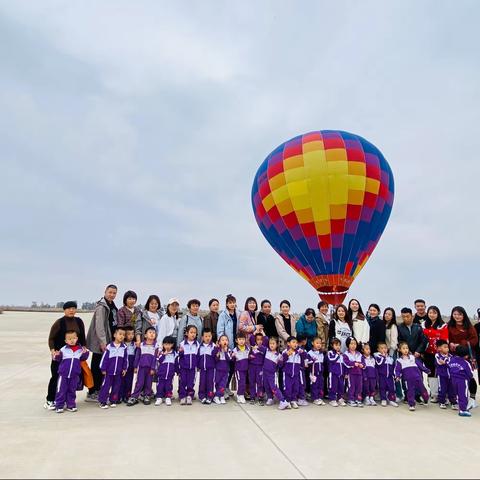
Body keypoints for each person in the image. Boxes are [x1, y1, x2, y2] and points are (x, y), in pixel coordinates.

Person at [45, 301, 86, 410]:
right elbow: (51, 338)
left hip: (74, 355)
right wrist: (53, 350)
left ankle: (68, 402)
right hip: (60, 355)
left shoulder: (79, 321)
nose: (71, 310)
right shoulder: (59, 322)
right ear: (64, 310)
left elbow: (82, 337)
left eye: (73, 308)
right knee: (55, 377)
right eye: (69, 308)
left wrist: (84, 347)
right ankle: (50, 400)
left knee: (72, 379)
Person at [86, 285, 118, 401]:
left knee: (102, 366)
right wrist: (103, 342)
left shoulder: (111, 305)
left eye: (114, 293)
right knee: (96, 366)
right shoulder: (102, 306)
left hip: (108, 340)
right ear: (105, 292)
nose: (112, 295)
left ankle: (98, 389)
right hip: (100, 342)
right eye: (110, 292)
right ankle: (92, 391)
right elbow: (99, 326)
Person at [447, 306, 478, 408]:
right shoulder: (449, 325)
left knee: (469, 376)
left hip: (467, 354)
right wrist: (450, 344)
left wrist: (461, 344)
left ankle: (472, 399)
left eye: (459, 314)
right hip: (453, 354)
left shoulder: (469, 326)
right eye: (455, 314)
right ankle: (457, 398)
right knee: (455, 376)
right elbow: (446, 338)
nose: (457, 316)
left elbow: (474, 340)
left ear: (463, 315)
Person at [53, 330, 89, 413]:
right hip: (63, 375)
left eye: (74, 338)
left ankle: (71, 405)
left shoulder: (80, 350)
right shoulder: (63, 349)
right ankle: (59, 405)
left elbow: (83, 358)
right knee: (61, 390)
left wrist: (85, 353)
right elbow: (57, 359)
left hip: (74, 375)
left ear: (77, 338)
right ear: (66, 341)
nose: (72, 340)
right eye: (69, 339)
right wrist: (57, 355)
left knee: (72, 391)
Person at [394, 341, 430, 411]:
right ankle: (411, 404)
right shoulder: (399, 360)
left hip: (417, 377)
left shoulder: (412, 357)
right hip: (408, 379)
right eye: (403, 348)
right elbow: (397, 370)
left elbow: (420, 365)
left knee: (422, 389)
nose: (405, 350)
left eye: (407, 348)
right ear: (399, 350)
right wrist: (397, 376)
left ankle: (426, 398)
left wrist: (426, 370)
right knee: (410, 391)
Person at [98, 327, 128, 409]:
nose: (122, 336)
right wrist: (103, 369)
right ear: (115, 335)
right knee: (106, 386)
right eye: (120, 334)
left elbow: (126, 359)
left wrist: (125, 369)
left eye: (123, 335)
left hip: (118, 372)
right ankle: (102, 401)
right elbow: (104, 359)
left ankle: (113, 400)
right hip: (108, 372)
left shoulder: (124, 347)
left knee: (116, 386)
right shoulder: (109, 347)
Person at [423, 306, 448, 402]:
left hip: (439, 353)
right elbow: (422, 338)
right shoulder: (424, 324)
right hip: (427, 353)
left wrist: (443, 352)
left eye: (434, 313)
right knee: (431, 372)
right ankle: (434, 394)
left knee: (441, 372)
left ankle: (443, 393)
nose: (432, 315)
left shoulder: (443, 325)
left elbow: (444, 339)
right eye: (430, 312)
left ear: (438, 314)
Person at [127, 327, 157, 406]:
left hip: (150, 369)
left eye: (153, 333)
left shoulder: (155, 346)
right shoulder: (141, 345)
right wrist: (136, 366)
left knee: (148, 383)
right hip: (141, 368)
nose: (152, 334)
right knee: (139, 383)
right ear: (145, 335)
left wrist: (153, 368)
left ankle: (147, 396)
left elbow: (155, 358)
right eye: (150, 332)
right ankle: (134, 396)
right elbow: (137, 356)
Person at [217, 294, 240, 396]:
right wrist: (223, 343)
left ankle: (226, 386)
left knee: (233, 368)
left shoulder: (238, 314)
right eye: (230, 302)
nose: (232, 304)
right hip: (227, 345)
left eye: (233, 302)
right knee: (226, 368)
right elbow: (220, 330)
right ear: (226, 304)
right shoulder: (223, 315)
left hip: (237, 344)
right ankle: (222, 388)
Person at [263, 337, 289, 410]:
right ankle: (270, 398)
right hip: (265, 373)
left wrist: (283, 358)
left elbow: (280, 366)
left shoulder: (279, 355)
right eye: (270, 343)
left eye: (273, 343)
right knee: (266, 386)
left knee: (273, 387)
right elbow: (264, 340)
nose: (271, 345)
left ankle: (283, 401)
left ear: (277, 345)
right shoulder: (266, 351)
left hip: (272, 374)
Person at [448, 345, 474, 417]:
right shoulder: (466, 363)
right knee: (463, 395)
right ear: (466, 356)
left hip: (453, 379)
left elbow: (449, 366)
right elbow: (470, 374)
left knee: (456, 393)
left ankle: (458, 404)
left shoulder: (451, 359)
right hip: (463, 381)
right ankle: (463, 410)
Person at [282, 336, 307, 409]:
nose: (295, 344)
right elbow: (282, 361)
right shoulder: (285, 351)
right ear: (288, 344)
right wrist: (287, 355)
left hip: (296, 374)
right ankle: (287, 401)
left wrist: (301, 352)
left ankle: (293, 400)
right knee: (287, 387)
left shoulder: (299, 352)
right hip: (287, 374)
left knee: (296, 387)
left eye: (296, 342)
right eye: (293, 342)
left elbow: (305, 356)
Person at [178, 325, 200, 406]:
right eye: (191, 332)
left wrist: (197, 366)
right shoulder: (182, 344)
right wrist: (180, 352)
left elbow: (198, 356)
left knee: (191, 382)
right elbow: (179, 356)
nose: (193, 334)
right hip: (184, 367)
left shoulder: (197, 344)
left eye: (194, 333)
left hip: (193, 368)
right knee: (183, 381)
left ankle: (189, 395)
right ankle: (182, 396)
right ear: (187, 333)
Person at [197, 328, 218, 405]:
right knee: (202, 382)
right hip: (202, 369)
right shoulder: (200, 346)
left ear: (211, 336)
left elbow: (216, 357)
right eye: (206, 336)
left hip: (211, 368)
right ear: (202, 337)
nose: (208, 338)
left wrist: (216, 350)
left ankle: (209, 397)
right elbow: (198, 357)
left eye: (209, 336)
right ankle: (202, 396)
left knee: (210, 382)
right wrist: (198, 366)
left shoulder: (213, 346)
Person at [155, 336, 177, 406]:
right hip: (161, 374)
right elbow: (159, 360)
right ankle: (159, 397)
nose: (167, 346)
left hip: (170, 374)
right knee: (160, 385)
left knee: (169, 386)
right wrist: (164, 355)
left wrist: (177, 371)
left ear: (172, 345)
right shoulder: (161, 352)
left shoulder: (174, 353)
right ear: (163, 345)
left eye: (169, 344)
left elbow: (176, 363)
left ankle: (168, 397)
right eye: (165, 344)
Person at [343, 337, 365, 407]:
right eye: (351, 344)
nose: (353, 345)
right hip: (351, 374)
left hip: (359, 373)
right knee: (351, 386)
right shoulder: (346, 354)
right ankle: (351, 399)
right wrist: (353, 364)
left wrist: (362, 365)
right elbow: (345, 362)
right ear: (348, 345)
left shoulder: (359, 354)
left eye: (355, 344)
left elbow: (364, 363)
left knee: (359, 387)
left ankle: (358, 399)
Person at [374, 342, 398, 407]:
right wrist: (383, 357)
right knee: (382, 387)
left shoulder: (390, 357)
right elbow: (379, 364)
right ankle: (383, 399)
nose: (384, 349)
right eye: (381, 348)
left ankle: (391, 399)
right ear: (378, 350)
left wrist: (395, 374)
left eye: (385, 348)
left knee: (391, 388)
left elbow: (393, 366)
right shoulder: (378, 357)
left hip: (390, 376)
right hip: (382, 376)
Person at [435, 339, 455, 410]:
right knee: (442, 389)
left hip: (450, 376)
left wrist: (445, 362)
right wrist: (447, 362)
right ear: (439, 348)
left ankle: (453, 402)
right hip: (442, 376)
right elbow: (439, 362)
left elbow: (451, 364)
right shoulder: (437, 355)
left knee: (451, 389)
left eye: (447, 347)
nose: (447, 349)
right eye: (445, 347)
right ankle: (442, 402)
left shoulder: (451, 356)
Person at [327, 338, 346, 407]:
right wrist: (337, 355)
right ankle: (332, 399)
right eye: (336, 345)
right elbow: (331, 360)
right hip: (333, 373)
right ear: (332, 345)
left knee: (341, 386)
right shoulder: (330, 353)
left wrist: (345, 373)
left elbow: (344, 364)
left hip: (341, 374)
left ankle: (340, 398)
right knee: (333, 386)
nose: (338, 347)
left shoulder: (342, 354)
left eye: (339, 345)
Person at [249, 332, 267, 405]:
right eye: (258, 339)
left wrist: (263, 332)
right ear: (255, 340)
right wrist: (250, 357)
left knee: (260, 383)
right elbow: (249, 356)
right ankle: (252, 397)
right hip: (252, 367)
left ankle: (260, 396)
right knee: (252, 382)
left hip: (260, 367)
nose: (259, 341)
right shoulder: (252, 347)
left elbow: (266, 339)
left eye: (261, 339)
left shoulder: (264, 348)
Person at [213, 335, 231, 405]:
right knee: (217, 383)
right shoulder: (218, 349)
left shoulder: (229, 350)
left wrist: (226, 352)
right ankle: (217, 396)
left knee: (223, 384)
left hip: (225, 371)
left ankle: (220, 395)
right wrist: (217, 356)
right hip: (218, 370)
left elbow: (229, 359)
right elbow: (215, 359)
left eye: (226, 340)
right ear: (219, 342)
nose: (224, 341)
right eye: (222, 340)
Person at [307, 336, 326, 406]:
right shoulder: (310, 353)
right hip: (313, 373)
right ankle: (315, 398)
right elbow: (307, 363)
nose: (319, 345)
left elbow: (322, 363)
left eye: (320, 343)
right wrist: (312, 361)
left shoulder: (321, 353)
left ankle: (320, 397)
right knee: (314, 386)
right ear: (312, 343)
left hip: (320, 373)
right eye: (317, 343)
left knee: (321, 385)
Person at [232, 332, 250, 404]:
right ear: (236, 340)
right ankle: (240, 395)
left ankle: (241, 395)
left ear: (245, 340)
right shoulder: (235, 350)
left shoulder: (247, 349)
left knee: (244, 382)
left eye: (243, 339)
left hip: (245, 369)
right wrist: (232, 356)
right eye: (240, 339)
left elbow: (249, 357)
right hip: (238, 370)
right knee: (240, 383)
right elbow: (232, 360)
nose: (241, 341)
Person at [120, 326, 136, 402]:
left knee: (129, 381)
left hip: (131, 366)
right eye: (129, 334)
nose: (131, 336)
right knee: (121, 380)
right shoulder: (122, 344)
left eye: (132, 334)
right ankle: (120, 395)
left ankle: (127, 395)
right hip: (123, 366)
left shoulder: (135, 344)